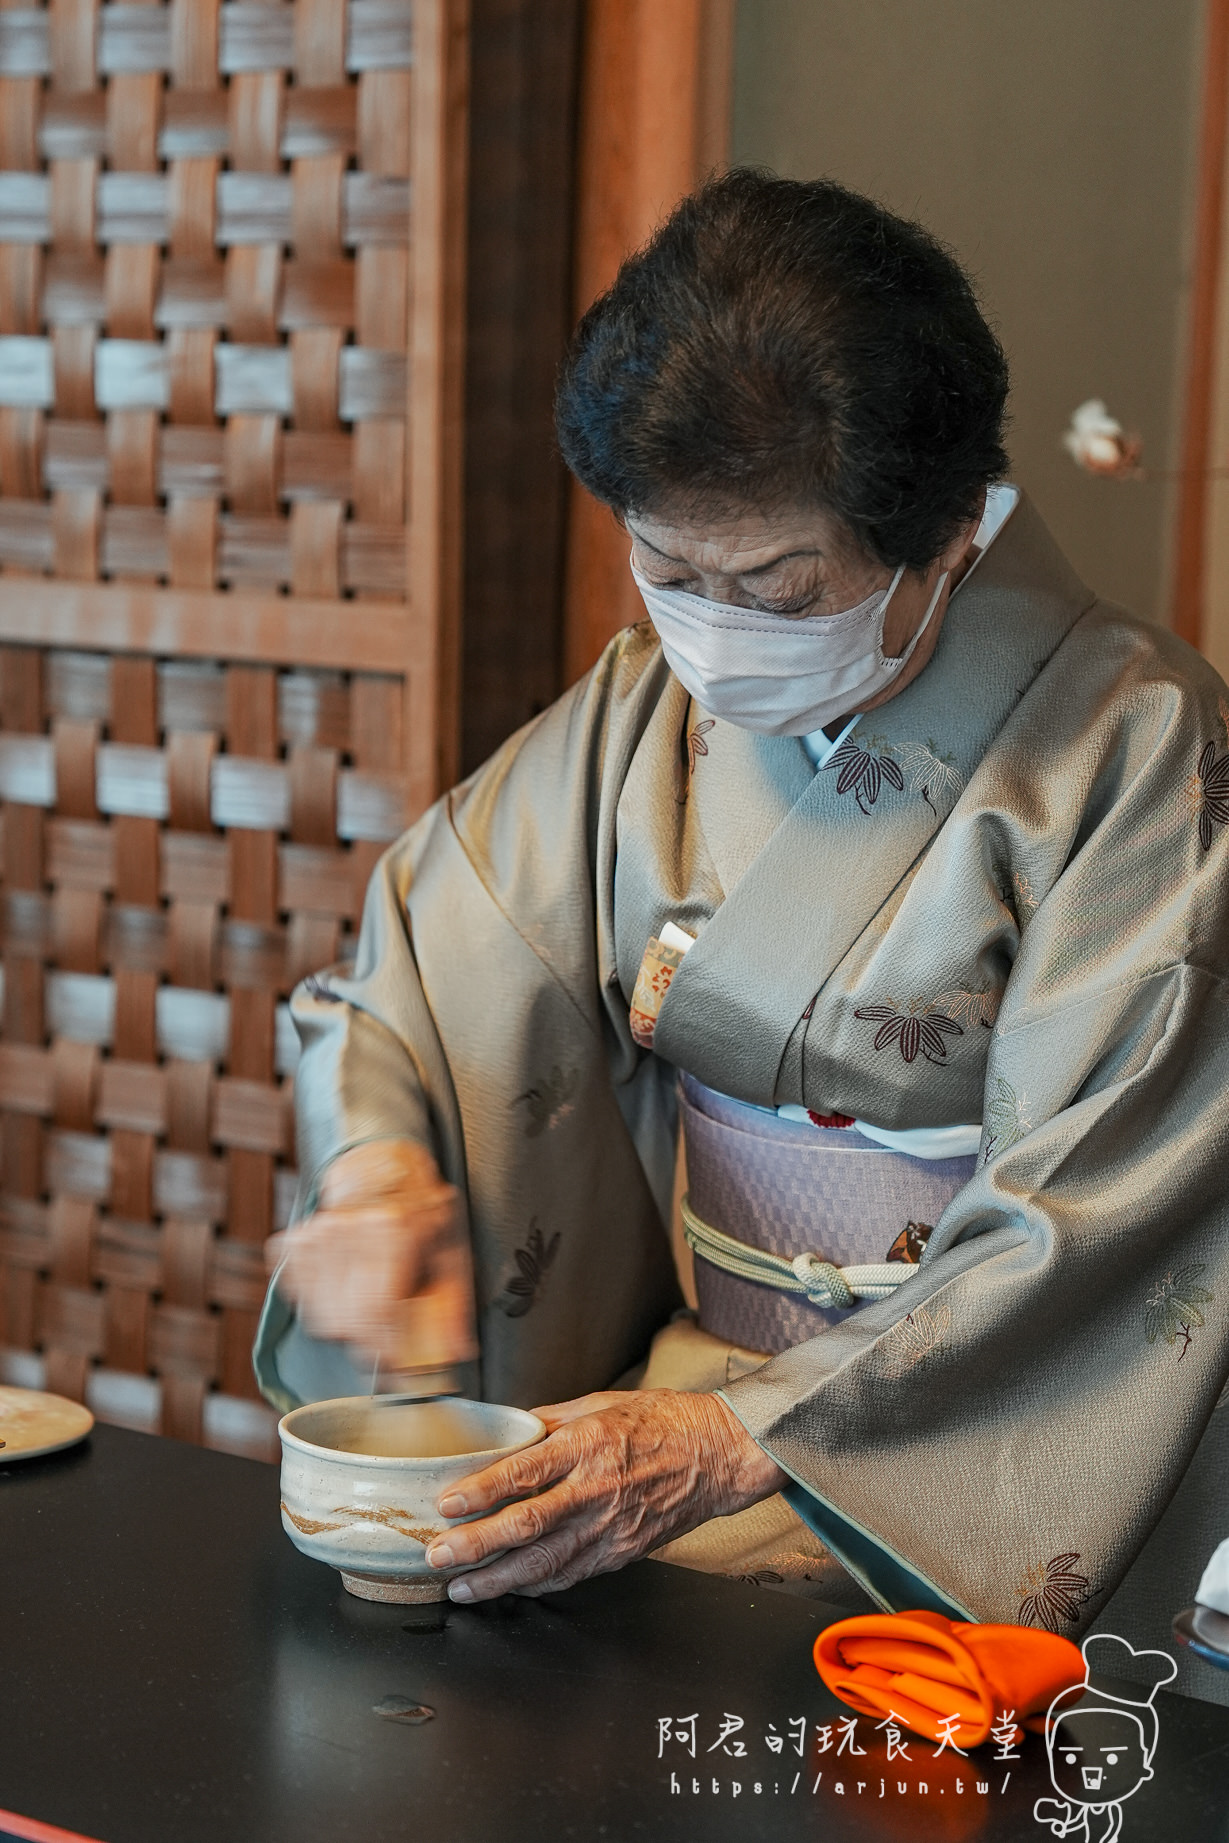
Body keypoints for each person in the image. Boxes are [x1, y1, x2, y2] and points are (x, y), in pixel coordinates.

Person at [256, 172, 1229, 1701]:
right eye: (667, 572)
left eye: (775, 586)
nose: (710, 631)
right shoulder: (644, 715)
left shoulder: (1133, 750)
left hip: (940, 1474)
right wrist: (381, 1168)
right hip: (666, 1429)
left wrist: (743, 1438)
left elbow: (1110, 1200)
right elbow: (406, 993)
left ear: (948, 533)